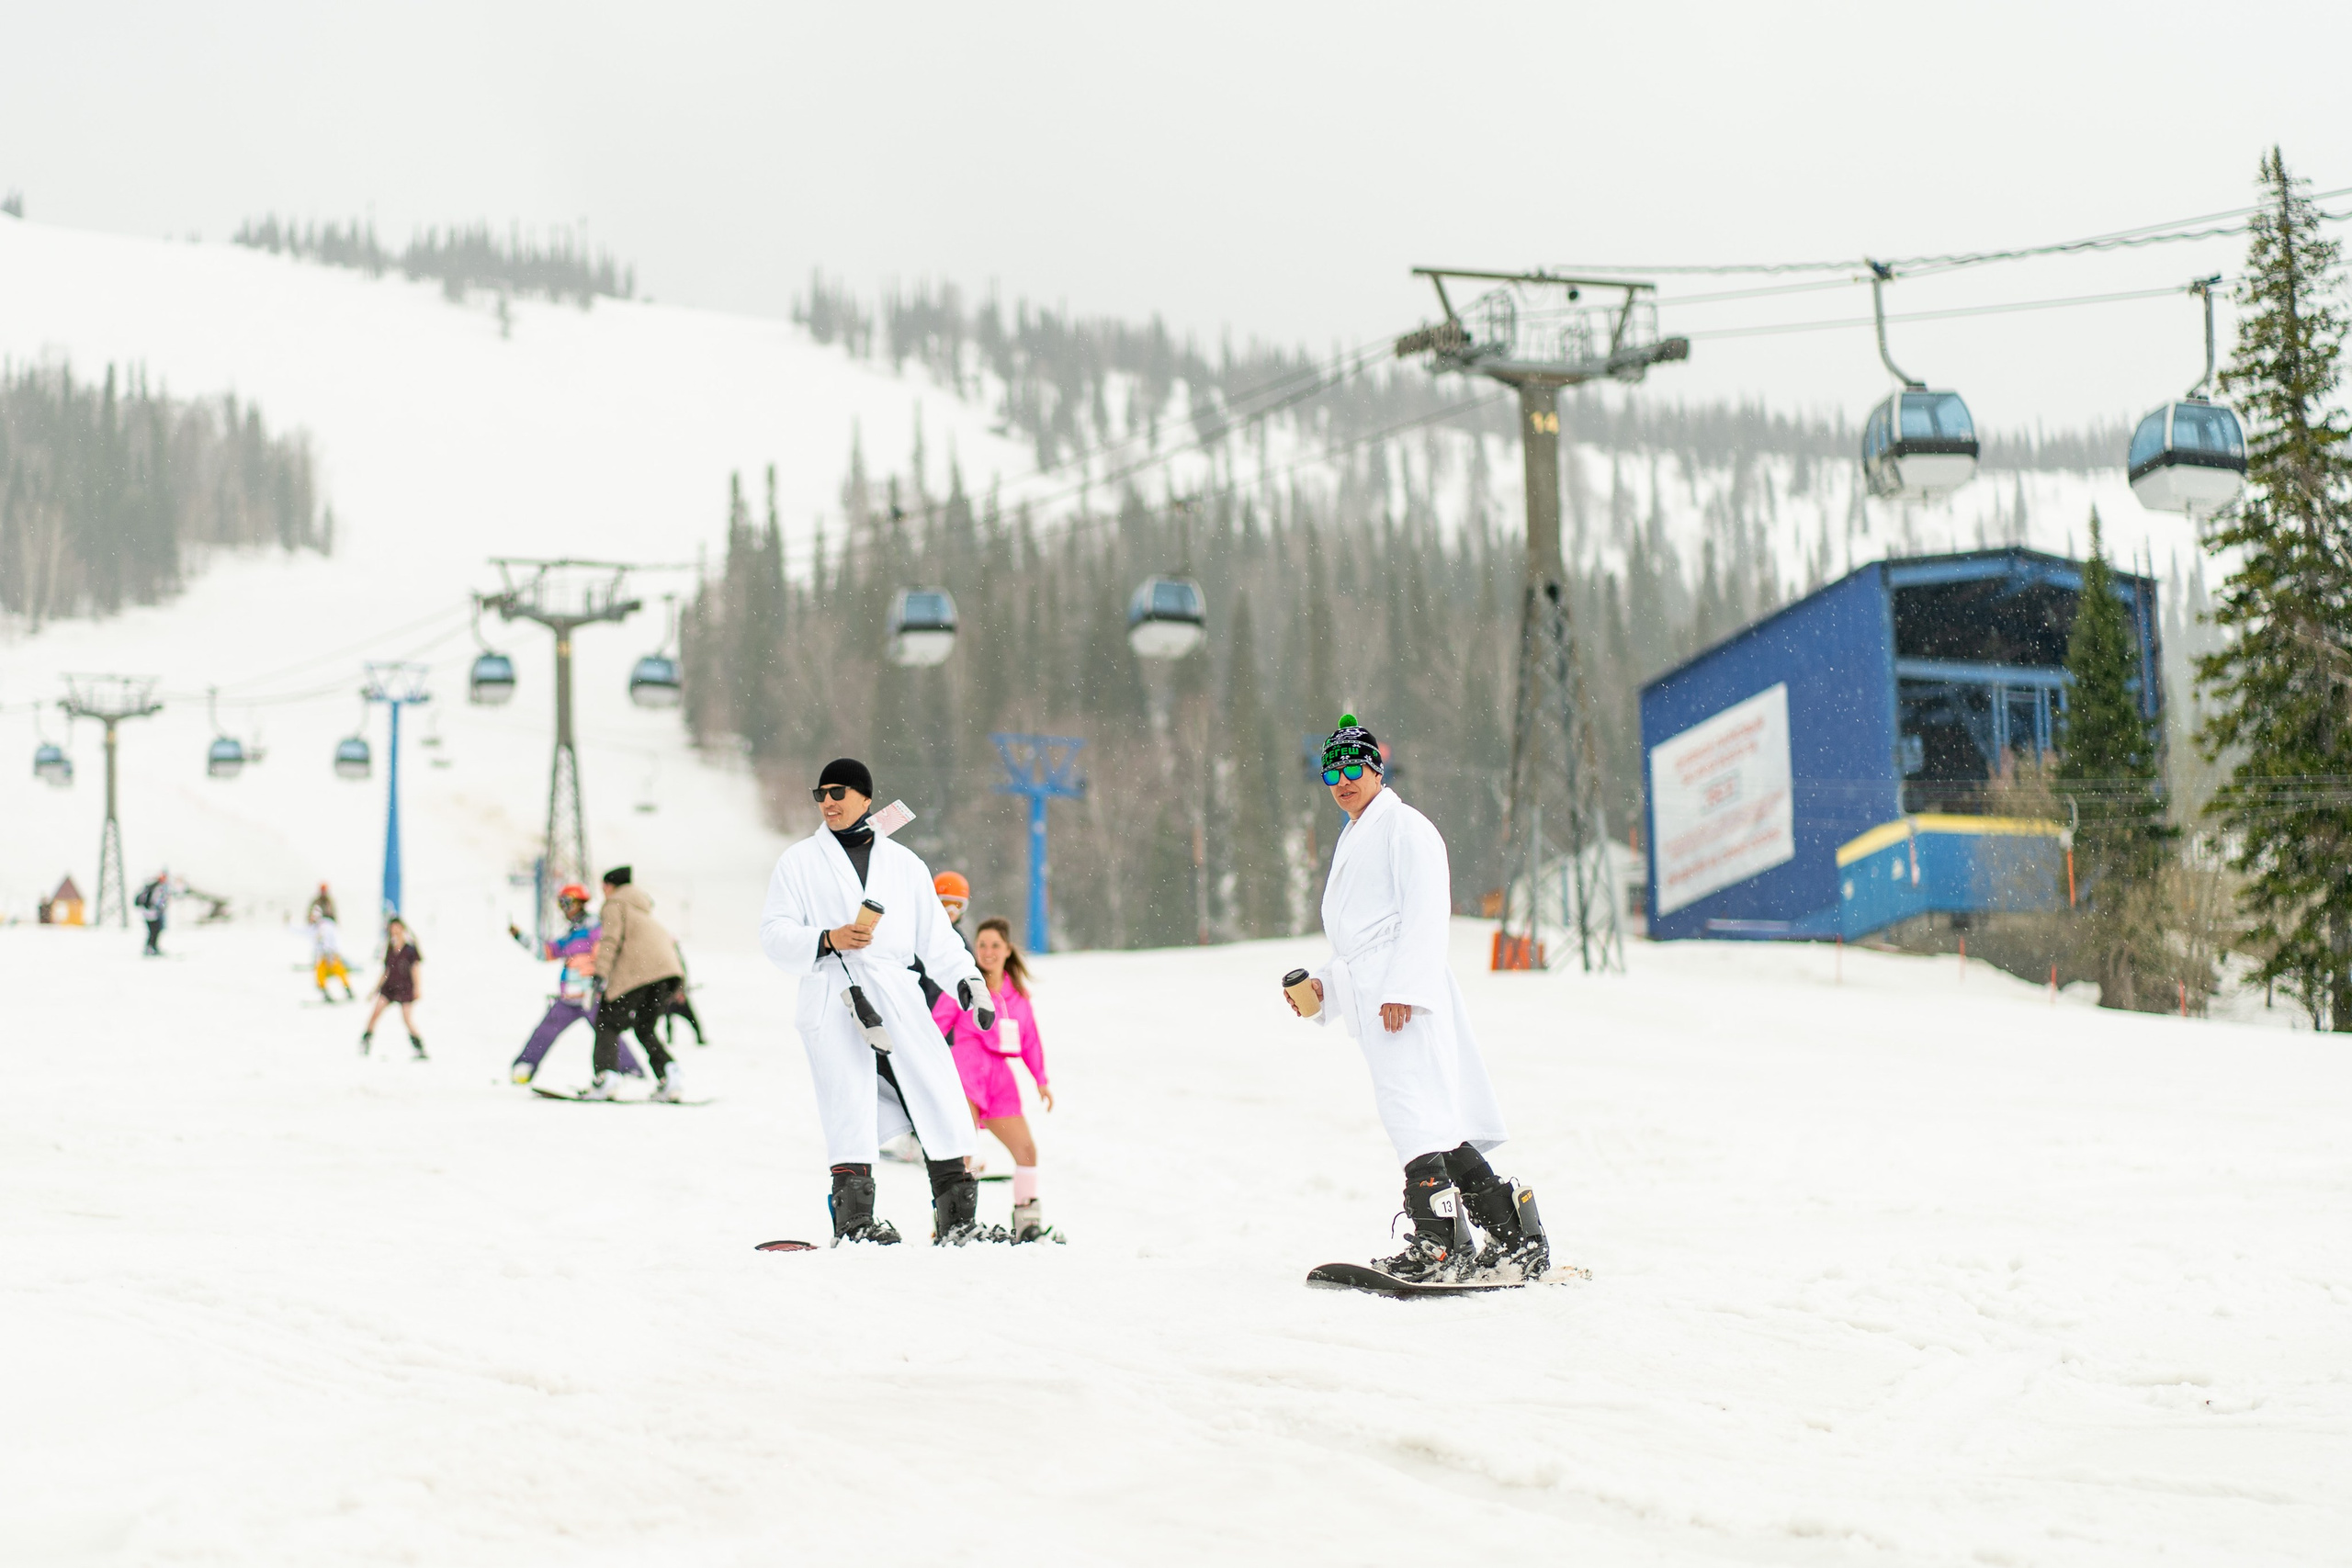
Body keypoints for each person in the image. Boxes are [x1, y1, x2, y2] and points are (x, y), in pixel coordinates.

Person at [1284, 716, 1550, 1284]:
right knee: (1434, 1119)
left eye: (1354, 769)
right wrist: (1324, 989)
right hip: (1378, 993)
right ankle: (1515, 1237)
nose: (1343, 781)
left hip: (1403, 997)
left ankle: (1440, 1245)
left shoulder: (1405, 827)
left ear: (1376, 770)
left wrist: (1406, 987)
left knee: (1412, 1114)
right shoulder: (1357, 833)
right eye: (1332, 773)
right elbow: (1360, 941)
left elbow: (1427, 910)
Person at [758, 758, 995, 1246]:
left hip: (897, 993)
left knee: (936, 1091)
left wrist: (967, 980)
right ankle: (855, 1223)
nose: (828, 802)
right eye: (820, 794)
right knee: (848, 1101)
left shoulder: (905, 864)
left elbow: (937, 937)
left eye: (838, 792)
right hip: (834, 992)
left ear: (865, 798)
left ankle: (957, 1223)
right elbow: (774, 934)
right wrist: (828, 938)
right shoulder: (798, 862)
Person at [935, 916, 1058, 1243]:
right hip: (966, 1070)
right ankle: (951, 1224)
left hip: (1000, 1079)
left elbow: (1030, 1039)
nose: (987, 952)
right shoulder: (964, 985)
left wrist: (1041, 1080)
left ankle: (1028, 1224)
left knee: (1026, 1150)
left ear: (1007, 950)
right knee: (963, 1149)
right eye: (982, 945)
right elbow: (935, 1026)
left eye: (995, 945)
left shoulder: (1017, 995)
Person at [505, 884, 643, 1086]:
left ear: (581, 903)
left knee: (607, 1032)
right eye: (561, 903)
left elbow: (606, 952)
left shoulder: (595, 927)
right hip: (569, 997)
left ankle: (630, 1071)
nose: (565, 908)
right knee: (545, 1030)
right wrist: (520, 937)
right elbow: (547, 952)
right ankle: (524, 1066)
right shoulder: (572, 932)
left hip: (591, 995)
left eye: (568, 902)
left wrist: (600, 980)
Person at [586, 866, 687, 1102]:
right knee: (645, 1027)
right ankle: (670, 1076)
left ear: (610, 886)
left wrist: (600, 974)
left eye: (603, 886)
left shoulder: (615, 904)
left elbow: (610, 939)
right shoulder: (642, 909)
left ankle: (606, 1077)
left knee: (607, 1023)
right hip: (667, 974)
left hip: (639, 973)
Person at [361, 917, 426, 1059]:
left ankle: (419, 1048)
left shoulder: (410, 949)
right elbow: (386, 971)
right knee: (375, 1013)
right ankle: (365, 1042)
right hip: (390, 986)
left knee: (407, 1018)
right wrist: (375, 989)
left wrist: (417, 988)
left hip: (405, 987)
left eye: (397, 928)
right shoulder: (390, 948)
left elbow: (415, 969)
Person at [311, 908, 357, 1002]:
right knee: (320, 973)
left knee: (339, 971)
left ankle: (348, 990)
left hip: (331, 955)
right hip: (324, 956)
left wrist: (329, 954)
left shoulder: (325, 926)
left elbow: (328, 941)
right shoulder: (315, 927)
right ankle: (326, 993)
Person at [135, 868, 171, 955]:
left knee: (152, 931)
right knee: (155, 931)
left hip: (147, 912)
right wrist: (161, 907)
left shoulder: (151, 886)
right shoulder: (159, 887)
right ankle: (151, 948)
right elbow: (158, 900)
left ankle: (151, 948)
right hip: (153, 913)